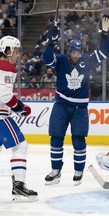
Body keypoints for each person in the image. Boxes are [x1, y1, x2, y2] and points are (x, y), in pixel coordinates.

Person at [43, 15, 109, 186]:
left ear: (82, 52)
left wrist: (104, 34)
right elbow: (46, 59)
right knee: (56, 137)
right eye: (73, 52)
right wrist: (50, 42)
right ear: (69, 52)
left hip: (80, 108)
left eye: (78, 52)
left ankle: (78, 170)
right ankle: (55, 169)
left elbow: (104, 52)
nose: (76, 55)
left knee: (79, 139)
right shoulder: (60, 61)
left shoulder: (87, 61)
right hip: (61, 104)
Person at [0, 35, 38, 202]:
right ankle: (19, 186)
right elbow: (5, 95)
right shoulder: (6, 66)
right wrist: (21, 109)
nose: (18, 55)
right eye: (16, 51)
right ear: (7, 51)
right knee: (20, 146)